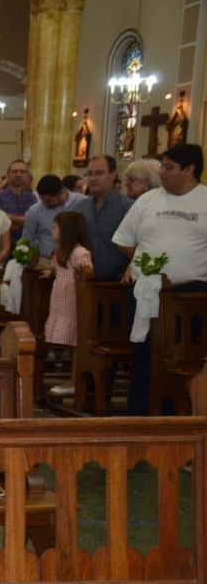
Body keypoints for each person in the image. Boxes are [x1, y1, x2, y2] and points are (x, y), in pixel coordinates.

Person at [113, 143, 207, 414]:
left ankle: (179, 415)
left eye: (168, 167)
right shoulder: (147, 200)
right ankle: (139, 414)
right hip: (145, 290)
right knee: (142, 354)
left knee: (185, 358)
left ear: (189, 170)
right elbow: (124, 240)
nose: (162, 173)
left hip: (191, 296)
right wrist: (141, 263)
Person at [42, 211, 93, 396]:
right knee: (71, 345)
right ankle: (73, 378)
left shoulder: (80, 252)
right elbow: (60, 270)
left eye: (55, 227)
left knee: (76, 343)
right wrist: (51, 273)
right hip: (61, 302)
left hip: (73, 303)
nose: (52, 231)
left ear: (67, 231)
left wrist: (84, 270)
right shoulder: (60, 252)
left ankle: (76, 379)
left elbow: (87, 270)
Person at [73, 155, 133, 281]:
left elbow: (138, 246)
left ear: (113, 175)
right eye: (89, 174)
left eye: (99, 173)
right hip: (84, 281)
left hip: (117, 285)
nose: (93, 178)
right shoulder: (80, 207)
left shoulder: (128, 207)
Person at [21, 174, 87, 261]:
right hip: (47, 261)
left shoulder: (82, 202)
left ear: (61, 193)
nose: (46, 204)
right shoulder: (34, 211)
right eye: (42, 200)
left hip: (77, 260)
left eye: (49, 201)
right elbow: (27, 239)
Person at [0, 160, 38, 248]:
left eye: (22, 172)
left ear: (27, 175)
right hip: (4, 248)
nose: (18, 175)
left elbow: (34, 223)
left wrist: (10, 217)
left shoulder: (32, 198)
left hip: (28, 248)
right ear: (8, 176)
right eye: (14, 171)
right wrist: (23, 222)